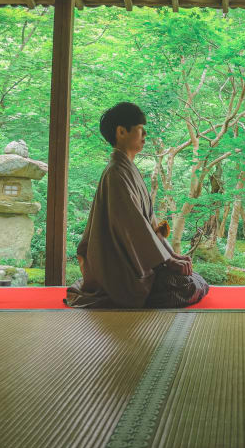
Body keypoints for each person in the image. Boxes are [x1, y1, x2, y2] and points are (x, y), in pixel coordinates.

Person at [65, 102, 209, 309]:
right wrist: (167, 262)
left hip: (138, 259)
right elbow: (134, 228)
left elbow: (150, 224)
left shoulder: (126, 168)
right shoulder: (116, 173)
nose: (145, 136)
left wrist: (171, 255)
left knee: (194, 280)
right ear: (121, 131)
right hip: (121, 268)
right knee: (188, 286)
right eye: (141, 130)